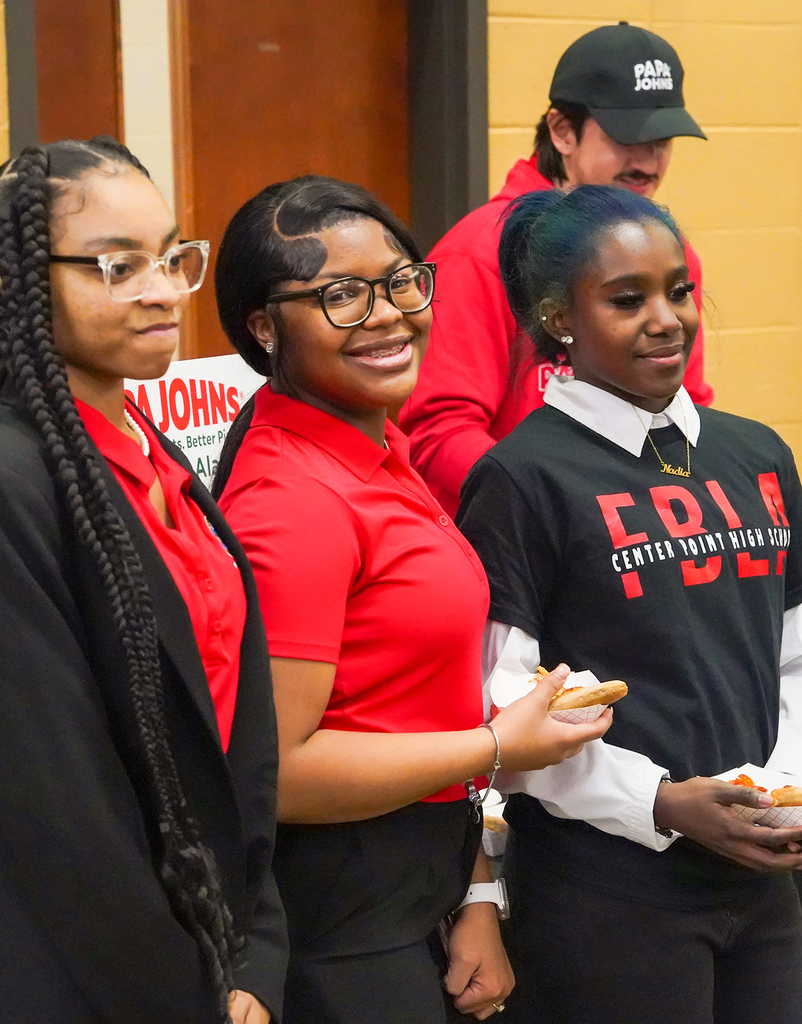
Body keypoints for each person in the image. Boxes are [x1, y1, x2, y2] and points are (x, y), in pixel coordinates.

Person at [210, 175, 612, 1024]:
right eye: (340, 296)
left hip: (417, 885)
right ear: (261, 325)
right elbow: (277, 771)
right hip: (342, 918)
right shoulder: (290, 496)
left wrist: (474, 896)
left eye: (399, 281)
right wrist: (498, 744)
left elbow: (409, 704)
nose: (388, 313)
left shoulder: (377, 441)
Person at [456, 184, 802, 1024]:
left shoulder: (754, 452)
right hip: (609, 892)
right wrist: (658, 801)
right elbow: (500, 706)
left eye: (677, 290)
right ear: (557, 318)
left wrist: (785, 782)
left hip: (765, 875)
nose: (666, 319)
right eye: (625, 299)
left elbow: (790, 644)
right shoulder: (519, 478)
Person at [0, 138, 286, 1024]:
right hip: (101, 980)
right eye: (116, 267)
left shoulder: (156, 458)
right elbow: (59, 805)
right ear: (12, 284)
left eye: (170, 257)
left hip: (220, 950)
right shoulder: (9, 484)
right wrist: (193, 994)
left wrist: (256, 958)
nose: (161, 291)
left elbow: (234, 738)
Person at [400, 20, 712, 515]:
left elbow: (689, 408)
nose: (649, 162)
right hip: (523, 538)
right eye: (628, 137)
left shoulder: (669, 252)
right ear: (562, 132)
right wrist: (567, 506)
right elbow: (439, 434)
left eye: (663, 139)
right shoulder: (479, 252)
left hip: (636, 531)